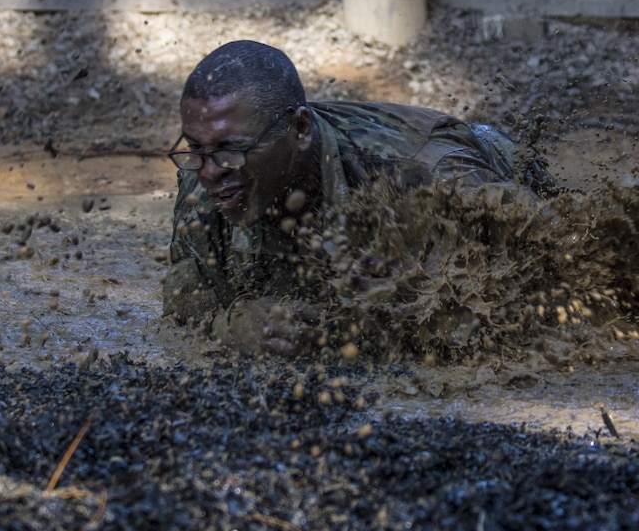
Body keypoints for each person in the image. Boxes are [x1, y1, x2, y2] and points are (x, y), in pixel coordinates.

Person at [162, 40, 557, 356]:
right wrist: (233, 324)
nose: (211, 172)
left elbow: (546, 281)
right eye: (196, 148)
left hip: (493, 162)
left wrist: (417, 298)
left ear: (300, 130)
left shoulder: (425, 173)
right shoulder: (205, 170)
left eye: (232, 149)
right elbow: (185, 294)